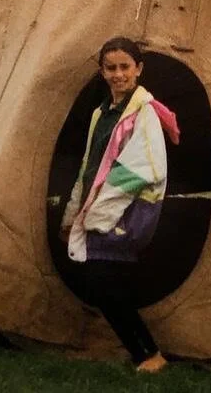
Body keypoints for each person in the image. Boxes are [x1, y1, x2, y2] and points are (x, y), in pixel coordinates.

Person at [61, 37, 180, 374]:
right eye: (110, 68)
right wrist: (74, 211)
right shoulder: (101, 114)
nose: (118, 74)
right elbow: (90, 164)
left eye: (124, 67)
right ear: (102, 72)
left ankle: (149, 353)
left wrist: (102, 211)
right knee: (106, 284)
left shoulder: (144, 113)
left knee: (104, 283)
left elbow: (145, 167)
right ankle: (144, 352)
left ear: (138, 69)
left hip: (124, 211)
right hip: (98, 206)